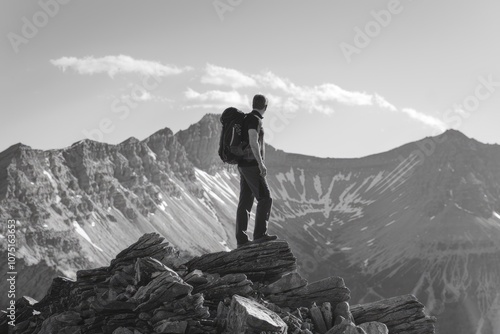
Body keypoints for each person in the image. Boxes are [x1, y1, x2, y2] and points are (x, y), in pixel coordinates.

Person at [235, 94, 277, 248]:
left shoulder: (246, 118)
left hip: (243, 164)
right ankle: (259, 235)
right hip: (251, 164)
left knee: (245, 201)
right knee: (265, 198)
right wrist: (260, 163)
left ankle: (242, 240)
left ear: (253, 104)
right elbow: (253, 141)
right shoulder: (255, 120)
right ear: (265, 107)